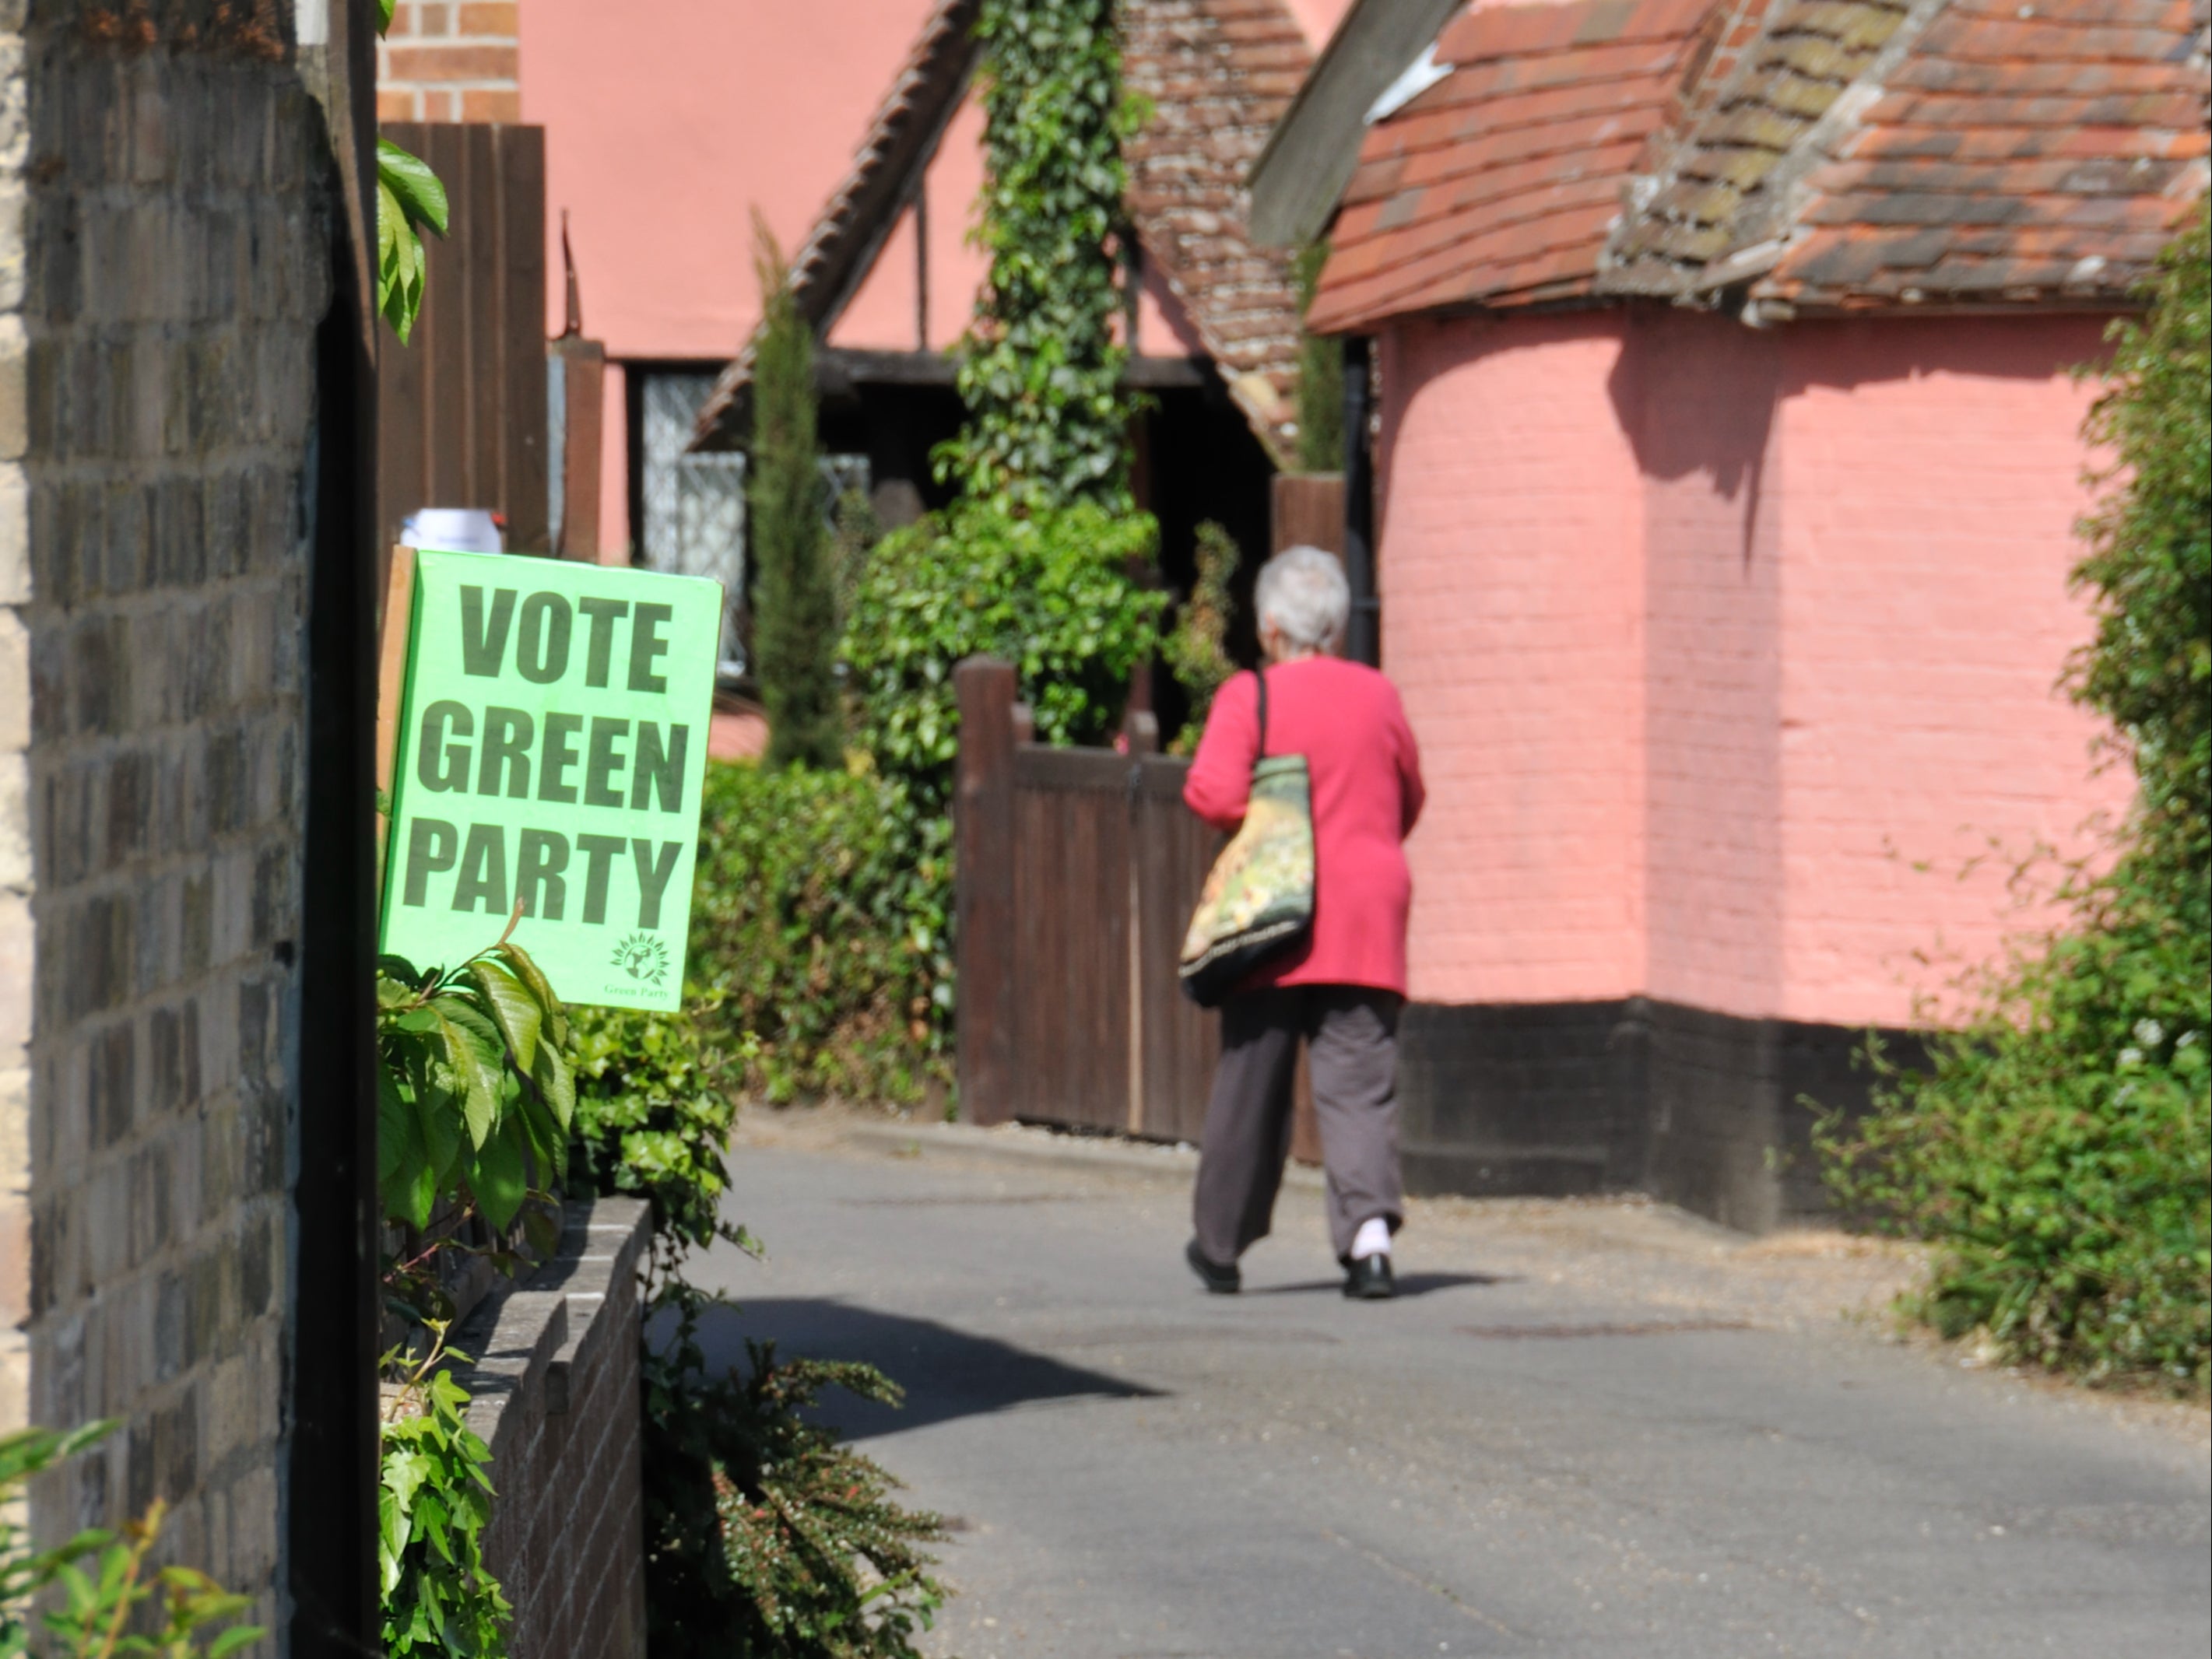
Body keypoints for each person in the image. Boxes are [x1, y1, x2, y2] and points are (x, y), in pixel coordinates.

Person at [1181, 545, 1424, 1300]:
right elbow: (1410, 793)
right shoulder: (1378, 695)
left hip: (1275, 915)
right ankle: (1370, 1242)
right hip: (1366, 910)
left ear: (1274, 626)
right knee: (1358, 1083)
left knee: (1251, 1077)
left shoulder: (1249, 696)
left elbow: (1213, 796)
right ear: (1336, 627)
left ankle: (1220, 1244)